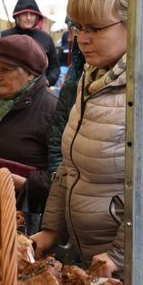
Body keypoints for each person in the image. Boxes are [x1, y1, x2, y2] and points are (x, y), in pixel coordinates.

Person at [32, 0, 143, 279]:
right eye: (78, 27)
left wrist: (119, 255)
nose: (81, 39)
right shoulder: (93, 76)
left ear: (134, 23)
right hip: (91, 259)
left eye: (94, 29)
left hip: (132, 269)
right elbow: (70, 167)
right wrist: (50, 229)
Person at [0, 34, 58, 234]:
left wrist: (26, 184)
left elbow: (65, 176)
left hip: (30, 219)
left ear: (30, 73)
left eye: (6, 69)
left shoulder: (53, 109)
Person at [0, 0, 60, 86]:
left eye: (32, 14)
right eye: (24, 14)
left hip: (39, 93)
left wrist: (47, 82)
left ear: (37, 17)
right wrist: (4, 80)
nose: (29, 18)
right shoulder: (4, 37)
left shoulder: (46, 39)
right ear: (17, 16)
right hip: (10, 94)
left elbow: (54, 68)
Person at [47, 21, 85, 175]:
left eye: (94, 29)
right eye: (73, 30)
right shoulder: (73, 79)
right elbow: (57, 143)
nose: (74, 38)